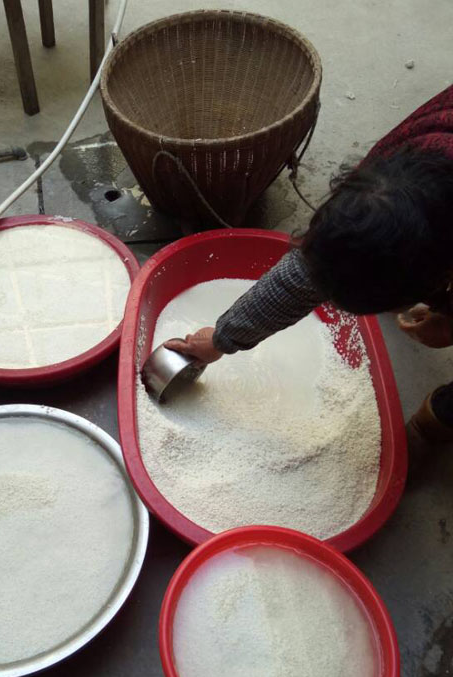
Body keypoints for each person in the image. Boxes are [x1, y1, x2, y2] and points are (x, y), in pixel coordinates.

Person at [166, 84, 453, 444]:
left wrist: (448, 321)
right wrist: (222, 339)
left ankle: (439, 418)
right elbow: (307, 275)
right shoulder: (379, 189)